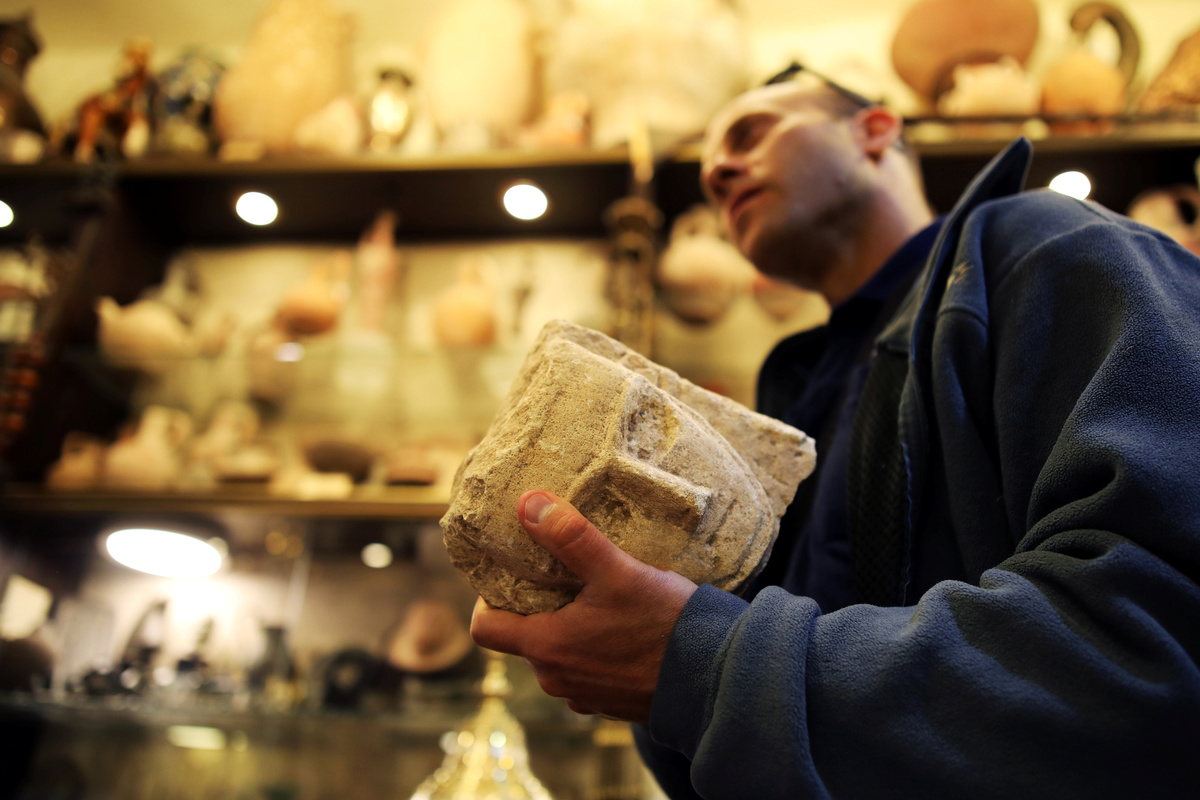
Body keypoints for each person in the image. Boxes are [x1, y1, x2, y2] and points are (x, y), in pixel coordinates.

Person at [470, 66, 1200, 799]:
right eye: (711, 174)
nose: (718, 174)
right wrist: (650, 665)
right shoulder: (801, 396)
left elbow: (1157, 645)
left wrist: (703, 663)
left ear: (875, 131)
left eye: (752, 133)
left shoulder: (1043, 245)